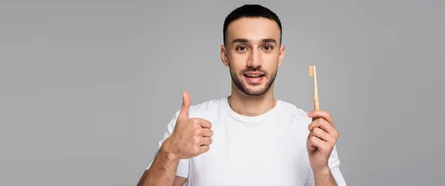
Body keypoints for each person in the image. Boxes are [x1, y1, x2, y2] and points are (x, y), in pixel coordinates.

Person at [137, 4, 346, 186]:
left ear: (280, 55)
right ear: (224, 55)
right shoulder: (191, 123)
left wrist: (322, 170)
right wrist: (170, 153)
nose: (254, 61)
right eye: (241, 47)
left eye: (266, 47)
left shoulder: (309, 130)